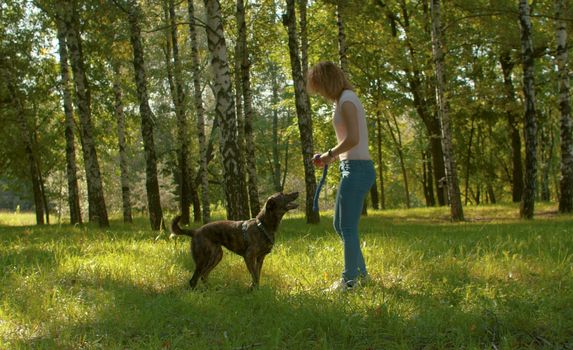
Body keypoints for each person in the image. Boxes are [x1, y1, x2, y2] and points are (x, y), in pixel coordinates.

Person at [307, 61, 375, 291]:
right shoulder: (342, 100)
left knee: (346, 227)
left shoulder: (347, 99)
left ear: (328, 81)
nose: (320, 93)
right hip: (351, 166)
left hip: (358, 169)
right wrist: (332, 157)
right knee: (340, 225)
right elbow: (349, 140)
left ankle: (349, 281)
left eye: (320, 87)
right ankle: (361, 276)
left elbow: (354, 139)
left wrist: (328, 154)